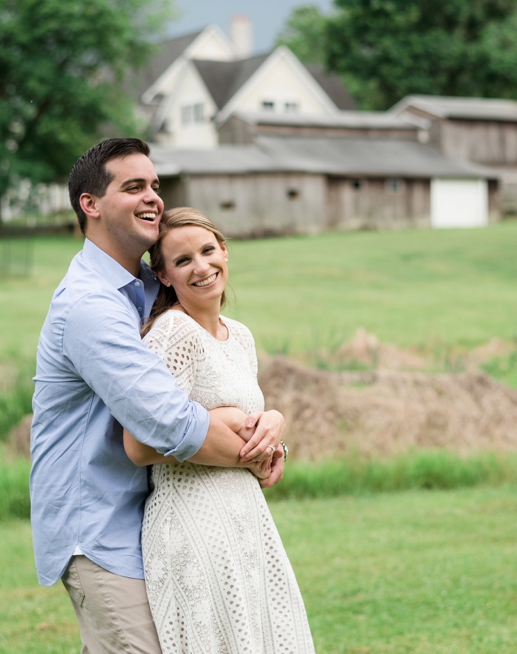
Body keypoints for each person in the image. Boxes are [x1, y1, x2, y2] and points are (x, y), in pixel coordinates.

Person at [29, 137, 286, 654]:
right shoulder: (90, 307)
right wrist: (257, 449)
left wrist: (271, 419)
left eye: (155, 185)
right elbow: (169, 424)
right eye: (133, 187)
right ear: (91, 205)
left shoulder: (149, 288)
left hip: (153, 523)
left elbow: (213, 377)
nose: (152, 197)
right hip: (100, 531)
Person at [123, 207, 315, 654]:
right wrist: (226, 426)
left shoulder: (240, 335)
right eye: (183, 260)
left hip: (245, 516)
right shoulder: (173, 334)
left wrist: (274, 424)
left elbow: (244, 418)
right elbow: (141, 442)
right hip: (193, 518)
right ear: (164, 275)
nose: (202, 267)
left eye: (208, 251)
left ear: (225, 252)